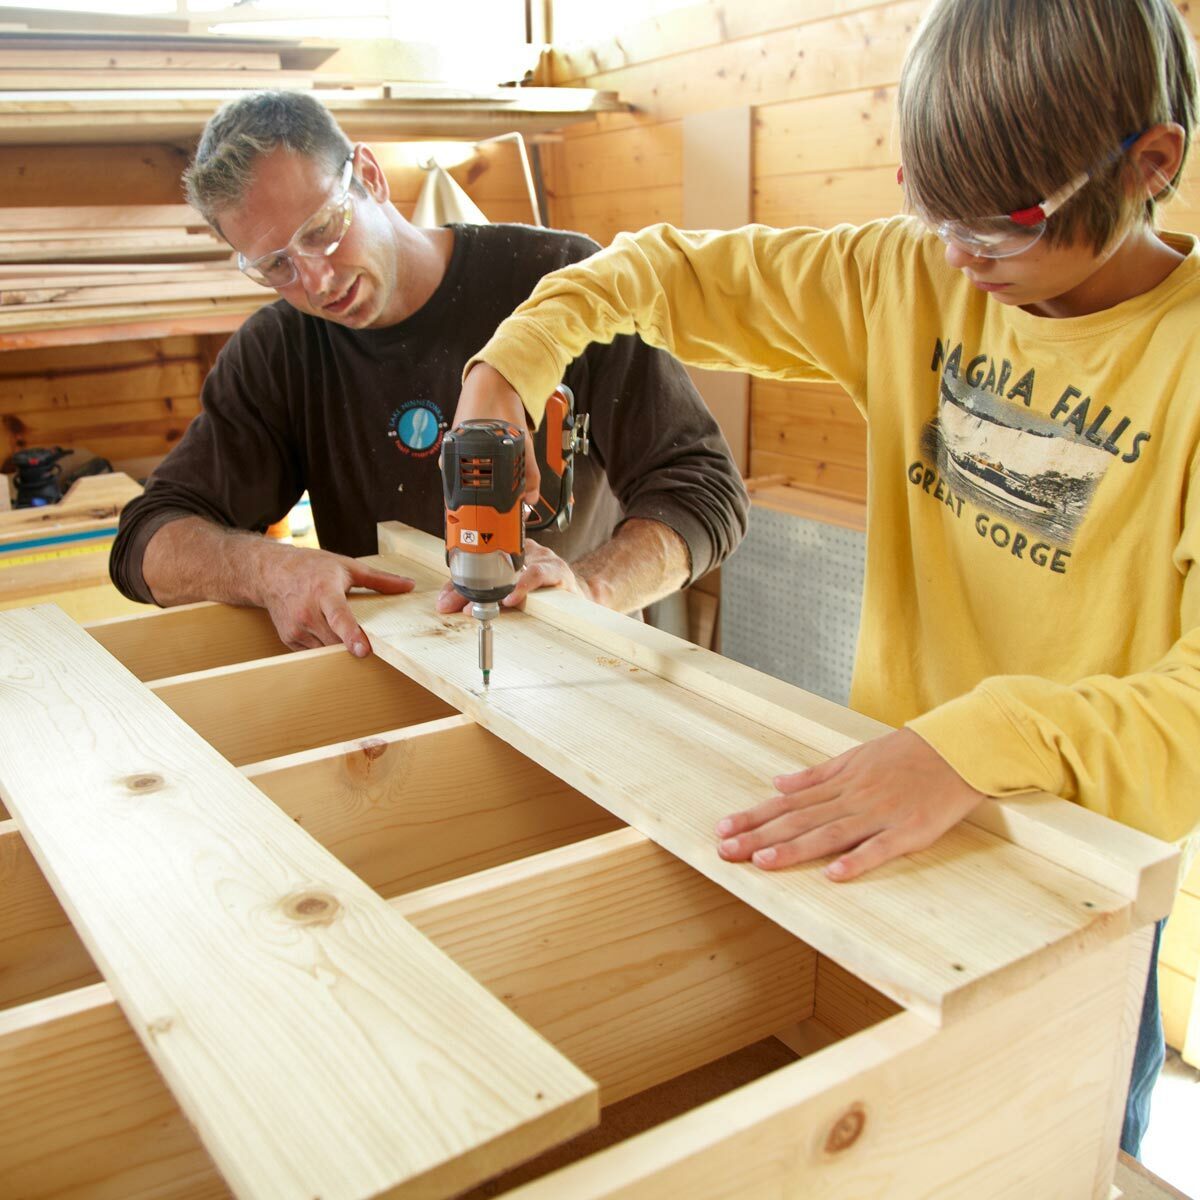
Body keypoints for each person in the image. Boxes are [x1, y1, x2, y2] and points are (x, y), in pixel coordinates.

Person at [454, 0, 1200, 1157]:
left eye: (996, 229)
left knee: (1060, 1145)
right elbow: (646, 274)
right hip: (887, 819)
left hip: (1080, 875)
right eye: (927, 207)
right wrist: (505, 374)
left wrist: (970, 741)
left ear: (1151, 163)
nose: (956, 258)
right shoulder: (911, 274)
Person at [109, 91, 749, 656]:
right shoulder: (278, 351)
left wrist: (589, 587)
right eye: (275, 264)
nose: (316, 279)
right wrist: (268, 569)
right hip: (396, 677)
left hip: (578, 670)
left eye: (323, 230)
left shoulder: (561, 282)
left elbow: (704, 489)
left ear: (368, 176)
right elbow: (146, 544)